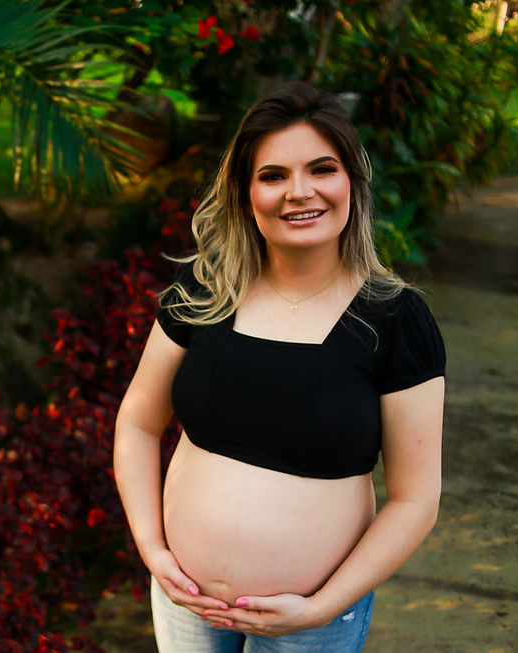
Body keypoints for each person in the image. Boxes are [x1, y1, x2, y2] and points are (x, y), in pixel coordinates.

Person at [113, 81, 445, 652]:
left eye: (322, 169)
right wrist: (152, 549)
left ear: (352, 181)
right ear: (246, 195)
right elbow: (138, 422)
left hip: (312, 623)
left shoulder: (394, 319)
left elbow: (416, 500)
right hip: (185, 601)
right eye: (272, 175)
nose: (299, 192)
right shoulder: (206, 289)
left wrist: (321, 607)